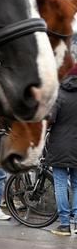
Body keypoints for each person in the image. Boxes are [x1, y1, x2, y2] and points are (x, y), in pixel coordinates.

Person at [45, 67, 77, 235]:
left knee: (60, 184)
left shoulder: (59, 94)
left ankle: (64, 224)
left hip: (59, 146)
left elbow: (50, 119)